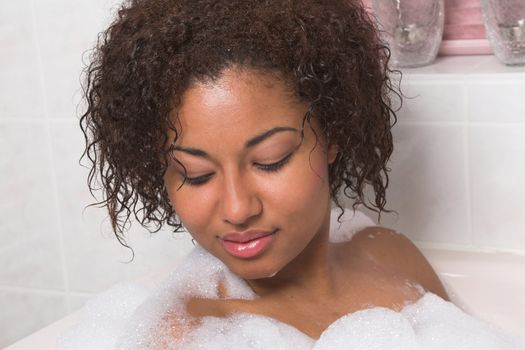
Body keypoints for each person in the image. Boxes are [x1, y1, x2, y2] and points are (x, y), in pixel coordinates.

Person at [80, 0, 449, 344]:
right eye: (195, 174)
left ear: (334, 134)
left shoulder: (392, 258)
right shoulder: (185, 337)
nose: (238, 209)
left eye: (270, 160)